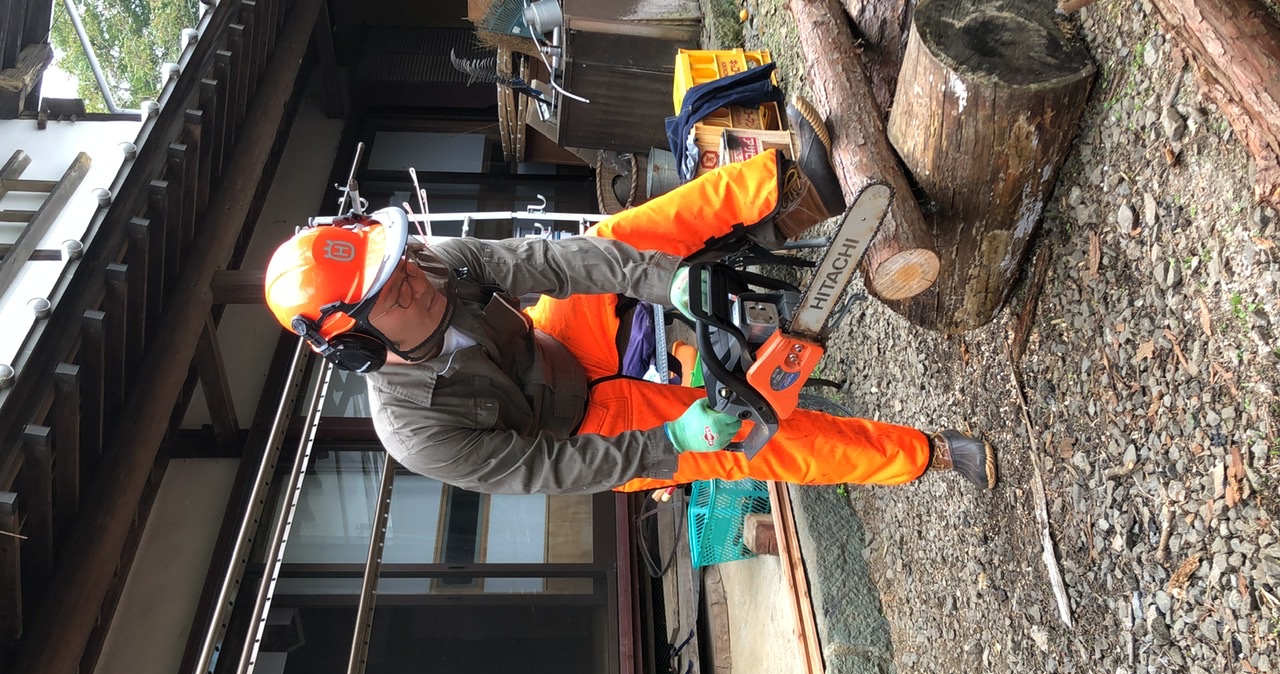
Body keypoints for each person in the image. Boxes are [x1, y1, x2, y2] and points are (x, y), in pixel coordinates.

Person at [263, 98, 996, 496]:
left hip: (560, 341)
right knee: (745, 440)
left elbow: (550, 262)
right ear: (356, 343)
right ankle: (927, 455)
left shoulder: (435, 263)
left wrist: (662, 279)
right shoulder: (417, 432)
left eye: (400, 261)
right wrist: (671, 441)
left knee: (615, 236)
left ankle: (798, 190)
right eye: (390, 290)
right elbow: (547, 471)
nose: (413, 276)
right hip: (588, 434)